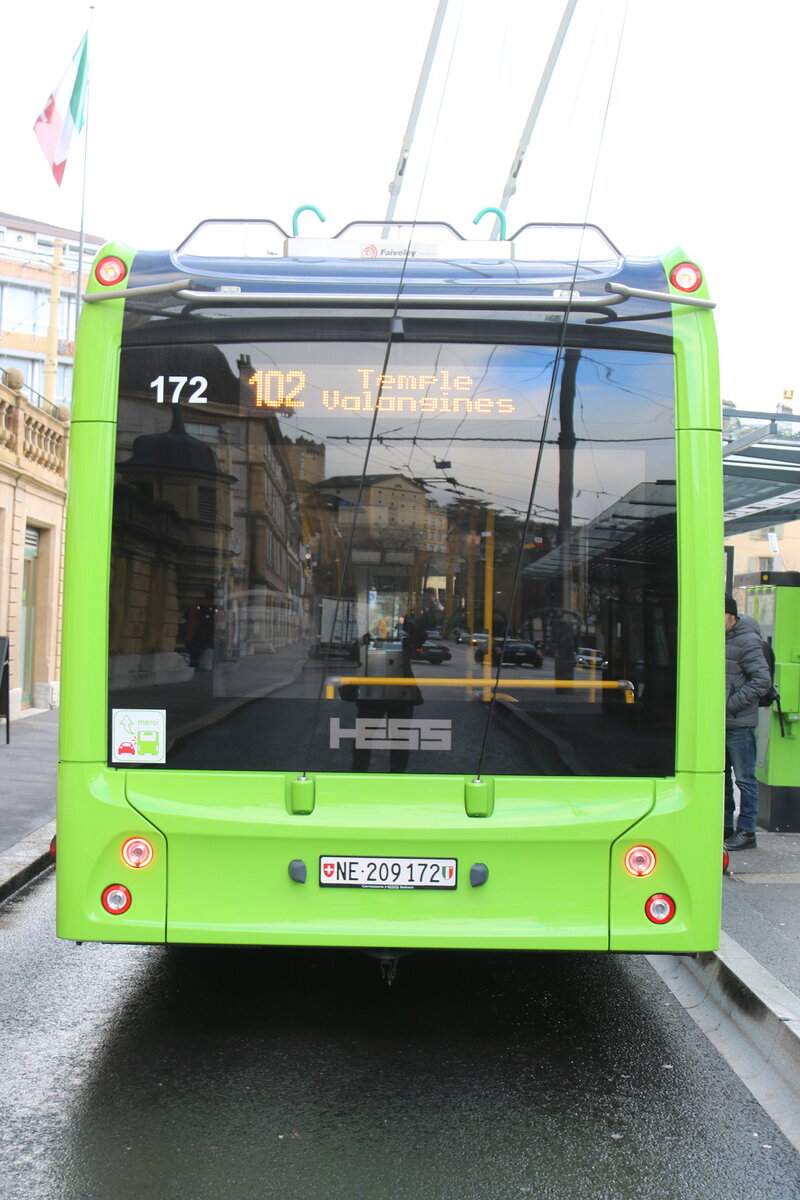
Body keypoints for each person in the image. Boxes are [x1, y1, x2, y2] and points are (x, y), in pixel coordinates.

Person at [724, 594, 771, 851]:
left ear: (730, 614)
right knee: (722, 780)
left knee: (744, 779)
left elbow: (762, 681)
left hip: (739, 724)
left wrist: (730, 705)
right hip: (719, 724)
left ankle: (747, 831)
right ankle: (726, 828)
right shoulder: (717, 636)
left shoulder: (748, 640)